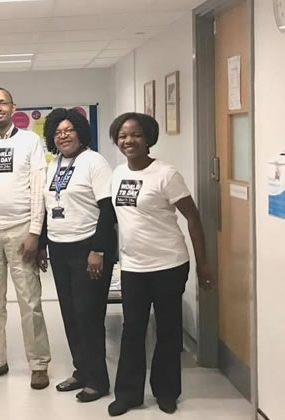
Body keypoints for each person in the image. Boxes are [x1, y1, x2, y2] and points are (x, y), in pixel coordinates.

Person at [107, 112, 212, 416]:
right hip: (133, 267)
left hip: (168, 263)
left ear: (149, 138)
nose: (129, 141)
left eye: (136, 134)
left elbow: (192, 217)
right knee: (132, 329)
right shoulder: (117, 174)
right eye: (123, 135)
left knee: (167, 330)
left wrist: (203, 263)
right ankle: (128, 394)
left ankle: (166, 392)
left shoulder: (166, 174)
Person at [0, 87, 51, 389]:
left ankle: (39, 363)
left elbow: (39, 187)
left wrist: (35, 232)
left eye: (3, 103)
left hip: (21, 230)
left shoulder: (30, 141)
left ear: (13, 107)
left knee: (30, 300)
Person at [37, 108, 117, 402]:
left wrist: (98, 250)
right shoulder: (53, 165)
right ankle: (82, 370)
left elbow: (108, 209)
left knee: (88, 316)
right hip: (60, 247)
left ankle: (98, 380)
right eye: (58, 131)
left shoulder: (94, 162)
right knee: (70, 315)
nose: (63, 135)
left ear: (81, 132)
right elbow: (47, 208)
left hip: (88, 249)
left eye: (69, 130)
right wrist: (44, 244)